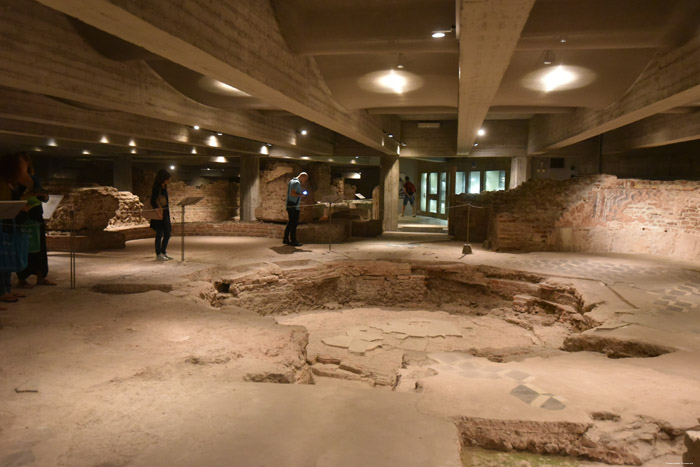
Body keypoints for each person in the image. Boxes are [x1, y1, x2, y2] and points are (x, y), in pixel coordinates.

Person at [16, 154, 55, 288]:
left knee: (40, 246)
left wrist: (44, 196)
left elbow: (43, 198)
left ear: (27, 163)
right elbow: (16, 197)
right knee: (24, 247)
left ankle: (41, 276)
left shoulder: (34, 179)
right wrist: (32, 194)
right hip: (22, 214)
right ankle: (22, 278)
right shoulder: (15, 180)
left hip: (36, 213)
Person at [0, 153, 33, 306]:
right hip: (3, 223)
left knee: (7, 259)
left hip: (8, 224)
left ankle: (7, 289)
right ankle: (2, 292)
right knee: (2, 260)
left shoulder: (9, 183)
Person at [149, 169, 173, 261]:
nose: (168, 180)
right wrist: (157, 211)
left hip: (165, 212)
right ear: (163, 178)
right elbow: (153, 200)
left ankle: (163, 251)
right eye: (167, 179)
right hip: (158, 213)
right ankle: (158, 253)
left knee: (168, 233)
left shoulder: (164, 186)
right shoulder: (157, 187)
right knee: (159, 234)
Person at [283, 171, 308, 247]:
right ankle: (293, 240)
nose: (305, 181)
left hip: (291, 204)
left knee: (291, 223)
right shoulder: (296, 183)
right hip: (293, 205)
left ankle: (286, 239)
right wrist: (301, 195)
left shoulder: (292, 181)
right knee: (293, 223)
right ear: (302, 176)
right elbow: (292, 193)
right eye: (305, 179)